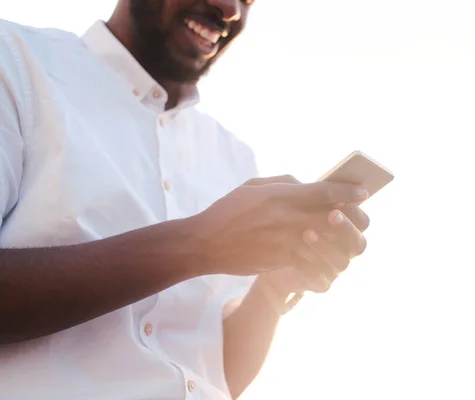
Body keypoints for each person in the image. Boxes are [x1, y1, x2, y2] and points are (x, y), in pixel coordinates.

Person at [0, 1, 372, 399]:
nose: (230, 9)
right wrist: (196, 245)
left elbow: (216, 373)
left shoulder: (234, 157)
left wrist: (274, 287)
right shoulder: (16, 61)